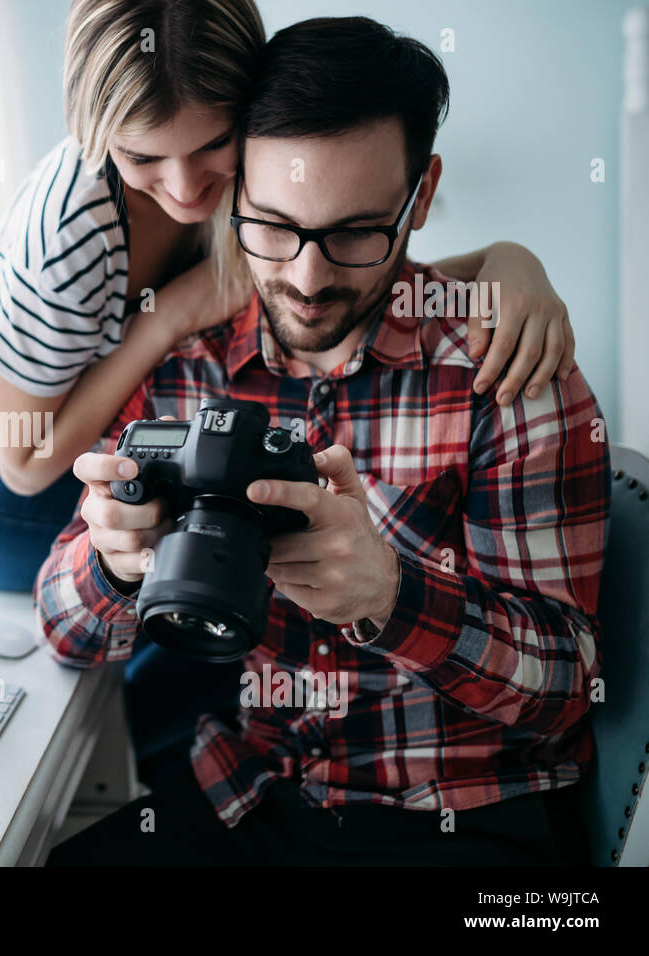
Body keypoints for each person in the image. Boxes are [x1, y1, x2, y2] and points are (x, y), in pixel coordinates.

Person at [38, 16, 609, 866]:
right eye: (272, 225)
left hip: (461, 818)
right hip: (256, 791)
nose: (307, 279)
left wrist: (392, 595)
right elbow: (61, 628)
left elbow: (569, 689)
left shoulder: (506, 369)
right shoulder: (192, 374)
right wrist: (114, 566)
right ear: (234, 192)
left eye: (354, 233)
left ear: (420, 197)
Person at [0, 0, 578, 595]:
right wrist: (170, 319)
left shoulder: (260, 167)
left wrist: (507, 263)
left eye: (213, 147)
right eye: (143, 159)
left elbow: (346, 282)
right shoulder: (67, 235)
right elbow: (25, 462)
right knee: (207, 576)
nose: (188, 187)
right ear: (100, 136)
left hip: (77, 429)